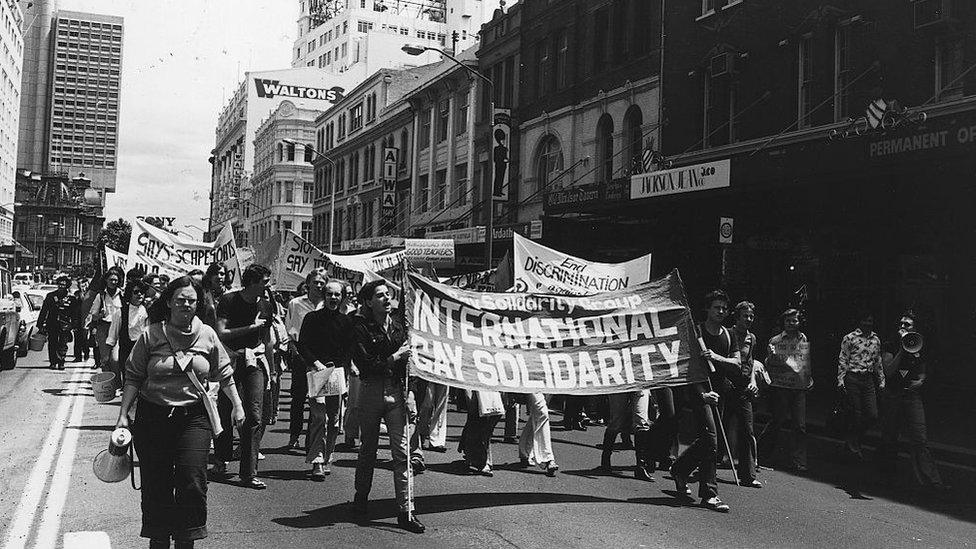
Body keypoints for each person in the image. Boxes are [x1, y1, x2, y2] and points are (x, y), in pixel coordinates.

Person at [116, 276, 246, 549]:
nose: (186, 305)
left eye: (191, 300)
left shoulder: (208, 334)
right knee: (157, 484)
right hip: (153, 418)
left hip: (193, 419)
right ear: (169, 302)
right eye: (180, 300)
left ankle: (187, 541)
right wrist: (123, 415)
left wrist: (237, 405)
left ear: (198, 304)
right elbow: (133, 376)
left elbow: (224, 374)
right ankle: (159, 540)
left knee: (193, 482)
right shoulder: (151, 334)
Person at [348, 280, 424, 534]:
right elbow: (367, 364)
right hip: (370, 391)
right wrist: (394, 357)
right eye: (380, 295)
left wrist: (412, 391)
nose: (386, 299)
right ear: (369, 302)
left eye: (388, 295)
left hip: (396, 392)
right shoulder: (359, 327)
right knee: (368, 449)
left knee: (402, 454)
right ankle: (361, 497)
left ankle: (406, 510)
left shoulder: (400, 327)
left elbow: (410, 364)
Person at [670, 290, 739, 513]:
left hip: (719, 393)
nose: (721, 311)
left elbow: (737, 363)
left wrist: (716, 358)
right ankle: (710, 494)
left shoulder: (729, 335)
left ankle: (680, 468)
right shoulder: (696, 332)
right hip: (700, 392)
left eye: (724, 308)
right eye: (716, 307)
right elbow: (686, 368)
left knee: (710, 440)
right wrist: (702, 395)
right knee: (711, 439)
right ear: (707, 309)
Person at [214, 264, 275, 489]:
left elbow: (267, 339)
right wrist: (251, 326)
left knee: (254, 414)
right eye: (264, 281)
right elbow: (221, 332)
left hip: (254, 361)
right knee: (224, 409)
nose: (267, 286)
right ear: (252, 282)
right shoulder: (229, 301)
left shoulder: (267, 305)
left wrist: (274, 368)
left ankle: (248, 473)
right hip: (229, 359)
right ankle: (221, 459)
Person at [878, 312, 945, 490]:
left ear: (915, 329)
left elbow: (922, 367)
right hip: (893, 395)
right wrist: (901, 348)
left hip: (911, 396)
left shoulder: (919, 344)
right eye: (901, 323)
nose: (903, 326)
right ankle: (887, 478)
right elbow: (889, 371)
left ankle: (933, 480)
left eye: (907, 324)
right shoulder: (890, 344)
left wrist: (921, 379)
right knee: (890, 437)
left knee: (920, 438)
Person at [298, 279, 349, 480]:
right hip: (317, 372)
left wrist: (344, 367)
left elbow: (349, 348)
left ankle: (327, 457)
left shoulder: (346, 322)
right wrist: (315, 362)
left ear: (342, 297)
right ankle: (317, 461)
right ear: (324, 296)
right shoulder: (312, 318)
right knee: (320, 418)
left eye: (337, 294)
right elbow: (303, 345)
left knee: (334, 421)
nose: (333, 298)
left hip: (337, 375)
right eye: (329, 294)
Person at [760, 308, 811, 472]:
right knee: (777, 421)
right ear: (783, 322)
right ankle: (761, 454)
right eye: (788, 321)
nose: (791, 324)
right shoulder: (775, 340)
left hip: (798, 387)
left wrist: (808, 377)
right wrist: (771, 357)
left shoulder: (802, 338)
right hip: (781, 386)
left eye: (794, 320)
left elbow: (804, 361)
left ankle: (799, 461)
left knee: (800, 425)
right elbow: (768, 364)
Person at [285, 269, 326, 450]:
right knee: (298, 397)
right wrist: (293, 351)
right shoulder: (295, 303)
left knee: (318, 401)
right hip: (301, 356)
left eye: (322, 282)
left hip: (321, 358)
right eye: (315, 282)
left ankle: (312, 441)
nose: (318, 286)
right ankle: (294, 435)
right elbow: (289, 329)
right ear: (308, 284)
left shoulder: (329, 304)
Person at [723, 301, 762, 487]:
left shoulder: (752, 338)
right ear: (737, 317)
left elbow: (751, 361)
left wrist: (753, 381)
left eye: (751, 316)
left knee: (747, 429)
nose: (748, 319)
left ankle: (748, 475)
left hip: (744, 387)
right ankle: (706, 466)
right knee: (720, 426)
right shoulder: (727, 334)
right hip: (726, 385)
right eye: (745, 316)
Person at [838, 310, 884, 460]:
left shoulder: (876, 339)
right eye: (865, 321)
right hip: (853, 378)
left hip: (868, 379)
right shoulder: (850, 338)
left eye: (870, 321)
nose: (867, 324)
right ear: (859, 322)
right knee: (856, 414)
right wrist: (841, 379)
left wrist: (881, 379)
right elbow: (843, 359)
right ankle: (853, 442)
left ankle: (854, 438)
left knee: (872, 415)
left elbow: (878, 361)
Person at [599, 389, 654, 481]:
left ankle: (641, 466)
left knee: (642, 423)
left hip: (640, 384)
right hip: (621, 384)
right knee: (616, 422)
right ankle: (605, 460)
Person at [106, 281, 150, 382]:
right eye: (136, 292)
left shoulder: (148, 311)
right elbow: (113, 332)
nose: (139, 294)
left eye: (142, 292)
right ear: (130, 294)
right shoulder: (121, 312)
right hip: (127, 348)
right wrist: (110, 348)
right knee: (128, 376)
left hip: (144, 349)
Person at [88, 267, 125, 379]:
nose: (113, 282)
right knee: (105, 359)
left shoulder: (122, 295)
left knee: (115, 359)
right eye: (111, 280)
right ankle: (108, 383)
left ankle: (117, 382)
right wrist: (100, 314)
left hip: (118, 328)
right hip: (104, 328)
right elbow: (94, 316)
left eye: (115, 280)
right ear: (106, 281)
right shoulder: (101, 296)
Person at [37, 275, 79, 370]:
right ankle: (53, 362)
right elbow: (44, 310)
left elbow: (75, 313)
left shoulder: (71, 299)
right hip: (52, 323)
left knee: (63, 344)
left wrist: (75, 325)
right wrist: (40, 324)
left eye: (63, 285)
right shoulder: (51, 296)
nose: (61, 286)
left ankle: (61, 362)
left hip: (65, 324)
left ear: (67, 286)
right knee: (52, 343)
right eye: (60, 284)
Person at [459, 390, 504, 476]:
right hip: (476, 391)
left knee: (485, 428)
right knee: (476, 423)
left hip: (492, 390)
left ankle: (479, 459)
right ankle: (483, 461)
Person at [516, 393, 560, 476]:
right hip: (531, 382)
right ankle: (547, 458)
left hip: (546, 382)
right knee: (542, 413)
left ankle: (525, 450)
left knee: (537, 414)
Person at [72, 288, 90, 362]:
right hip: (77, 323)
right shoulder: (75, 304)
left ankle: (86, 353)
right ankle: (78, 357)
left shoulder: (86, 304)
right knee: (77, 341)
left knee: (84, 340)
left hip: (84, 323)